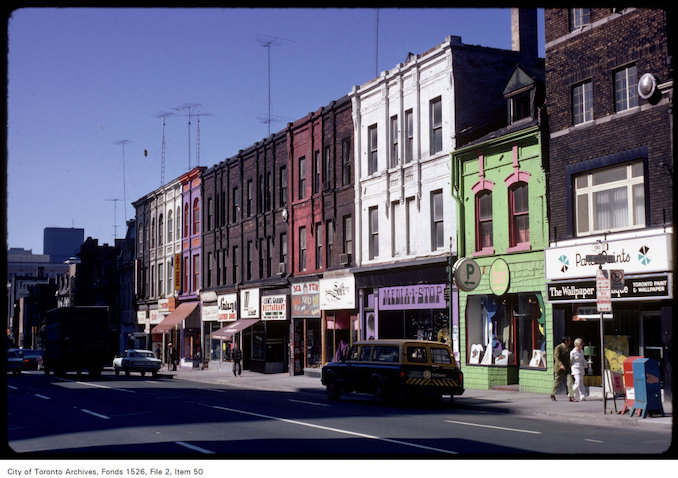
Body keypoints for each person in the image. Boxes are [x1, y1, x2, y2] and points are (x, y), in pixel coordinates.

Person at [551, 335, 574, 401]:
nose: (570, 342)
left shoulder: (568, 348)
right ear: (565, 341)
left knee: (570, 381)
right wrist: (560, 365)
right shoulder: (558, 347)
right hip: (560, 368)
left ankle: (571, 396)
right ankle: (553, 394)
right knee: (557, 382)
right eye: (569, 341)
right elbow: (557, 357)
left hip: (567, 368)